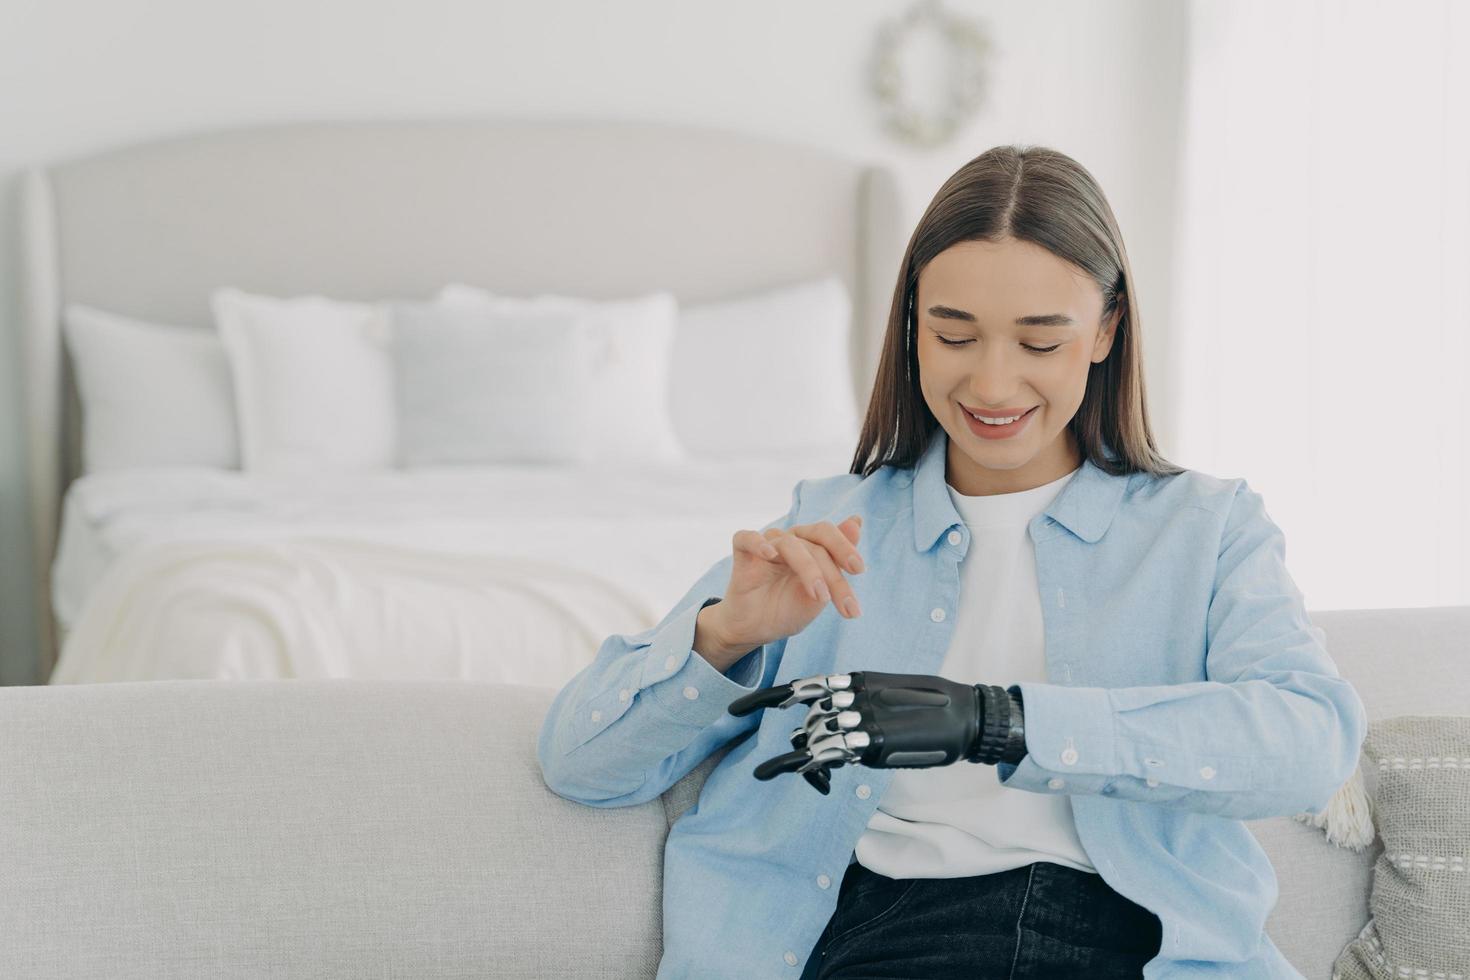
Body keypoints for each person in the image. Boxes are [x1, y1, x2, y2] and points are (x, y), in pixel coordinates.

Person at [537, 144, 1367, 979]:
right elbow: (583, 766)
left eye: (1040, 343)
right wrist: (725, 637)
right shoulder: (828, 525)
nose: (993, 385)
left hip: (1131, 939)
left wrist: (998, 721)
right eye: (955, 335)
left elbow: (1310, 746)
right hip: (876, 932)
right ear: (912, 328)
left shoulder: (1207, 527)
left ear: (1107, 329)